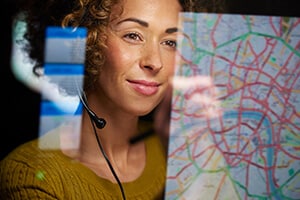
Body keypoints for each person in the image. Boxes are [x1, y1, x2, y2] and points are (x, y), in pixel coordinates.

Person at [0, 0, 226, 199]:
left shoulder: (184, 151)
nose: (155, 62)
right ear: (84, 41)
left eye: (170, 42)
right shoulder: (32, 175)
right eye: (133, 36)